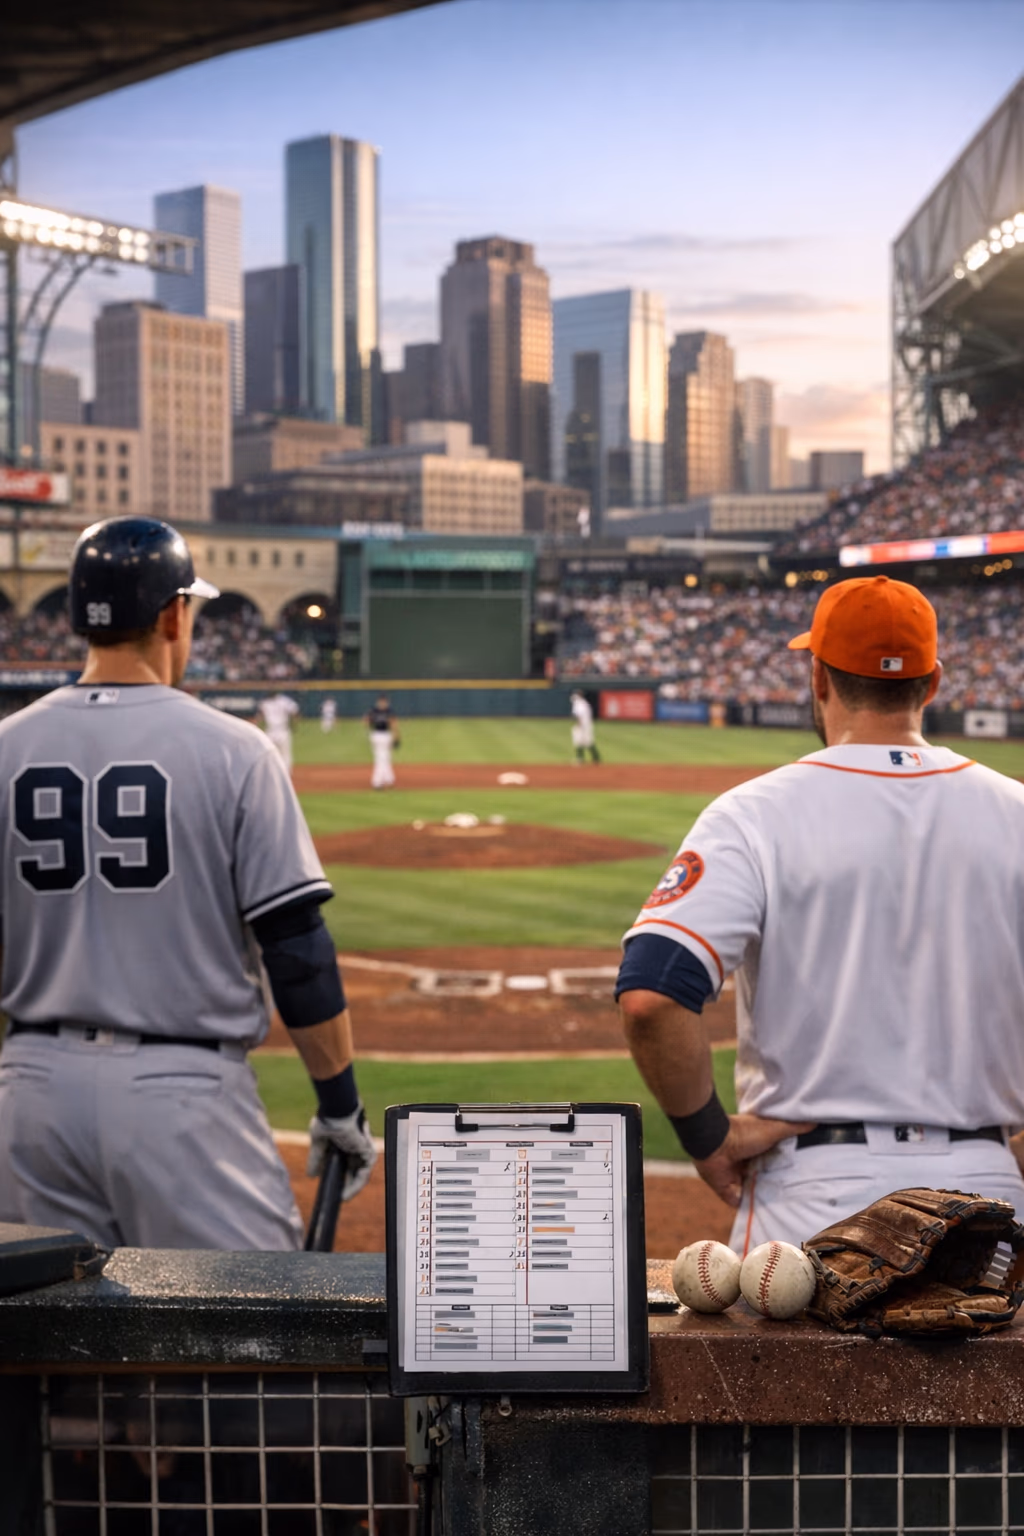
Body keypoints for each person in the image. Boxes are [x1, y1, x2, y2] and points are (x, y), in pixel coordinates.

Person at [616, 575, 1024, 1253]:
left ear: (819, 678)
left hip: (813, 1200)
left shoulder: (754, 815)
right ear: (933, 684)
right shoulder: (1016, 813)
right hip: (988, 1196)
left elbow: (652, 995)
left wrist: (711, 1139)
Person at [0, 516, 376, 1250]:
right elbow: (296, 950)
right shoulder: (234, 750)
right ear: (174, 613)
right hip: (179, 1096)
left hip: (30, 1090)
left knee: (50, 1348)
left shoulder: (6, 750)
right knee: (248, 1334)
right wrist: (339, 1106)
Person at [259, 691, 299, 771]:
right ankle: (277, 772)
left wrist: (293, 723)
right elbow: (294, 711)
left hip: (279, 730)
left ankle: (283, 773)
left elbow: (294, 711)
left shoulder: (282, 701)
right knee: (274, 754)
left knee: (282, 754)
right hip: (273, 731)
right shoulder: (266, 702)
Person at [365, 695, 399, 789]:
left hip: (377, 735)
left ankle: (389, 779)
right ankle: (377, 782)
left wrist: (370, 726)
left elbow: (366, 722)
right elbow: (394, 724)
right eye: (383, 701)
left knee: (385, 758)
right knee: (382, 759)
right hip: (383, 736)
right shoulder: (389, 711)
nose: (383, 703)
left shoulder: (373, 711)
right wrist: (396, 737)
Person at [570, 690, 601, 765]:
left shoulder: (578, 703)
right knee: (588, 741)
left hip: (583, 725)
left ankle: (580, 759)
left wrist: (579, 725)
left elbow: (579, 715)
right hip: (588, 724)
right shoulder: (584, 703)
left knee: (579, 741)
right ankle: (596, 758)